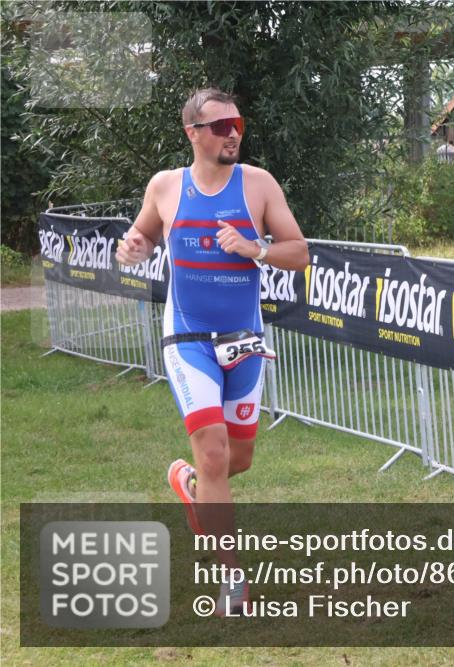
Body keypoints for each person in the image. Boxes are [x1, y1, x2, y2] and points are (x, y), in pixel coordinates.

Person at [115, 87, 309, 615]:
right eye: (220, 126)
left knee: (235, 459)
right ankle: (232, 579)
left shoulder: (258, 184)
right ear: (193, 134)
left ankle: (191, 483)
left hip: (244, 340)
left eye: (237, 124)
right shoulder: (166, 186)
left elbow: (300, 253)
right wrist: (131, 248)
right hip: (187, 338)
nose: (232, 134)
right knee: (216, 451)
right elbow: (139, 240)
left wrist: (255, 248)